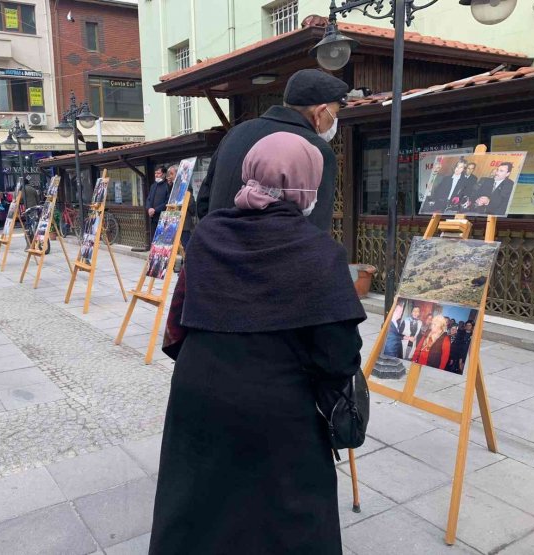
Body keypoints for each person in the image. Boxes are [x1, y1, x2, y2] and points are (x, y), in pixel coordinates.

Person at [149, 133, 366, 554]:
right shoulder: (319, 252)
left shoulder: (209, 233)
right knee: (284, 520)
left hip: (198, 394)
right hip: (280, 408)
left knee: (198, 510)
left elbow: (180, 321)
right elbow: (338, 358)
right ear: (307, 184)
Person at [196, 69, 348, 231]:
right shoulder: (315, 150)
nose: (335, 120)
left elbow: (203, 202)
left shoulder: (235, 133)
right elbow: (315, 229)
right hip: (271, 254)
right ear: (320, 112)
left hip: (215, 247)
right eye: (335, 113)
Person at [145, 165, 170, 243]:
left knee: (162, 241)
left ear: (164, 174)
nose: (156, 175)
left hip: (163, 218)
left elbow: (167, 202)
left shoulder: (167, 186)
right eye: (155, 173)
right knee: (154, 241)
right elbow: (148, 199)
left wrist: (155, 210)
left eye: (158, 173)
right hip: (153, 218)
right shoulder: (153, 185)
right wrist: (149, 208)